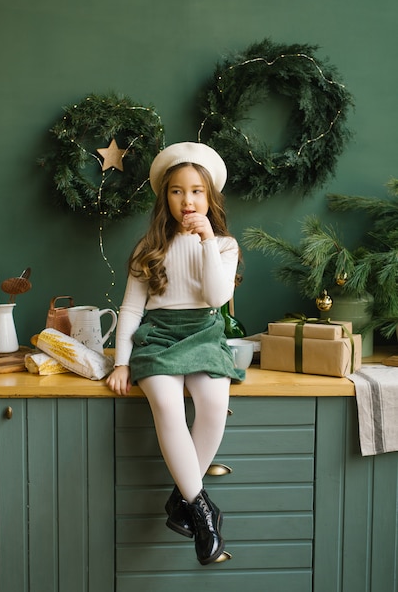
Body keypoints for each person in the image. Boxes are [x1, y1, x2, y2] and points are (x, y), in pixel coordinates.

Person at [106, 142, 244, 565]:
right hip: (159, 337)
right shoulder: (149, 247)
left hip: (204, 332)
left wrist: (205, 242)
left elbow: (217, 297)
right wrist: (122, 363)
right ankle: (202, 512)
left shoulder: (223, 245)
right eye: (178, 191)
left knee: (214, 403)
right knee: (166, 403)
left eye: (197, 191)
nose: (188, 200)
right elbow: (130, 308)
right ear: (165, 197)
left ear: (210, 197)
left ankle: (181, 501)